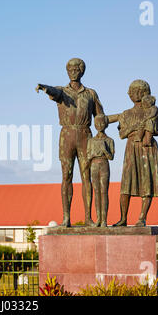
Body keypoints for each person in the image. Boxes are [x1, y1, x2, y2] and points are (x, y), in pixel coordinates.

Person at [36, 58, 104, 227]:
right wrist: (45, 88)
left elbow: (100, 117)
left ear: (82, 71)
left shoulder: (91, 93)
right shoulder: (62, 91)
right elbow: (54, 92)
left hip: (85, 134)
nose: (73, 72)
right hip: (66, 135)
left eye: (76, 69)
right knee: (66, 176)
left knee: (86, 177)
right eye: (70, 69)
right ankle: (66, 218)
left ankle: (88, 218)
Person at [108, 80, 158, 227]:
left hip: (148, 148)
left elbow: (157, 129)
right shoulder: (126, 114)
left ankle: (142, 218)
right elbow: (122, 134)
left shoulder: (153, 110)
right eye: (130, 91)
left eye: (135, 91)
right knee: (126, 183)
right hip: (131, 147)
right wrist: (135, 127)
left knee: (147, 184)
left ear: (144, 92)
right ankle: (123, 218)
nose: (131, 94)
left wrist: (144, 128)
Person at [86, 114, 115, 227]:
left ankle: (104, 220)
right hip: (94, 165)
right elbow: (88, 156)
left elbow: (111, 157)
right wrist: (92, 154)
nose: (99, 125)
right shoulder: (91, 141)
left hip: (104, 164)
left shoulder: (109, 140)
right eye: (97, 123)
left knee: (104, 192)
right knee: (96, 192)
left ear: (106, 125)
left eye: (102, 123)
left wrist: (105, 150)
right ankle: (98, 218)